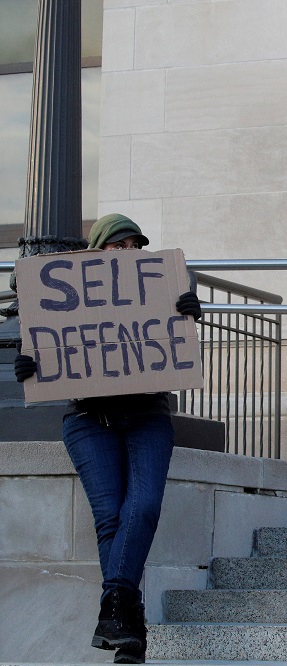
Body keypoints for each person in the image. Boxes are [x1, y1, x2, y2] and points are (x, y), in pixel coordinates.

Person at [13, 213, 202, 664]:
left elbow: (169, 337)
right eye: (118, 246)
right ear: (98, 253)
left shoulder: (157, 288)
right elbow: (48, 343)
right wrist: (29, 366)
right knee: (110, 519)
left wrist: (190, 312)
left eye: (135, 245)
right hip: (87, 420)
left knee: (145, 506)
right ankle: (128, 626)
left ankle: (114, 610)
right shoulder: (73, 297)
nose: (129, 252)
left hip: (147, 416)